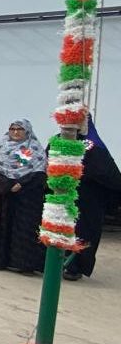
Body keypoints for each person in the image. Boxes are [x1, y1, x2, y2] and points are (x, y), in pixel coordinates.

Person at [0, 119, 48, 274]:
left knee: (24, 229)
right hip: (4, 195)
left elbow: (39, 173)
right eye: (13, 129)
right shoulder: (1, 147)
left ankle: (23, 264)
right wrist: (7, 185)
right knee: (1, 226)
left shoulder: (35, 149)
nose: (16, 132)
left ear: (27, 131)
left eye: (20, 129)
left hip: (26, 199)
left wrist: (21, 183)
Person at [64, 119, 121, 281]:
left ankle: (75, 267)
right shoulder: (60, 140)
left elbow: (110, 176)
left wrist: (82, 172)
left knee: (83, 232)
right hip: (63, 197)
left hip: (88, 201)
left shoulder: (94, 145)